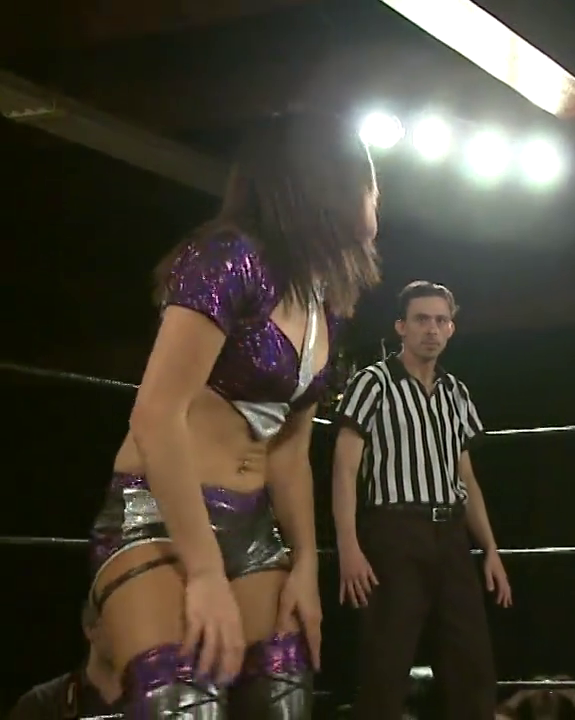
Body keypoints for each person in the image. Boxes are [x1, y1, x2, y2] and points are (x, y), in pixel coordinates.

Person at [87, 113, 382, 717]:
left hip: (253, 530)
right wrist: (203, 573)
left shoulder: (325, 301)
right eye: (371, 182)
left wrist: (305, 565)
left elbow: (291, 452)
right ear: (329, 181)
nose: (378, 196)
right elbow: (156, 415)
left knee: (283, 700)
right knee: (182, 702)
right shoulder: (228, 258)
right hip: (161, 519)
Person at [333, 280, 512, 720]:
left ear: (451, 328)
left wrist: (490, 548)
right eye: (421, 319)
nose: (431, 329)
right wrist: (348, 546)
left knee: (472, 663)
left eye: (440, 320)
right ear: (401, 326)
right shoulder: (372, 382)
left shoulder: (456, 392)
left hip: (450, 533)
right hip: (394, 530)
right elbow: (344, 469)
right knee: (386, 663)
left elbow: (466, 476)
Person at [6, 601, 123, 720]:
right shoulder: (40, 705)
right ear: (90, 629)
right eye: (120, 622)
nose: (129, 634)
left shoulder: (137, 700)